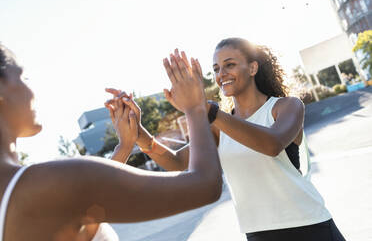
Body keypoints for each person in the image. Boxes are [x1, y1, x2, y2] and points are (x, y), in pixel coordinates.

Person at [112, 40, 346, 241]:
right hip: (258, 233)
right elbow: (176, 162)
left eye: (229, 65)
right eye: (216, 68)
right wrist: (138, 131)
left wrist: (204, 109)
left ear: (253, 67)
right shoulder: (220, 126)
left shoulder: (285, 106)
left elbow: (272, 145)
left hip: (311, 226)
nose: (221, 74)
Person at [0, 44, 222, 241]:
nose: (32, 91)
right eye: (24, 77)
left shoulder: (34, 190)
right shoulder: (52, 182)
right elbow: (205, 185)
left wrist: (125, 146)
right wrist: (195, 107)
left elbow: (82, 197)